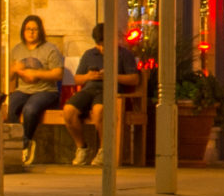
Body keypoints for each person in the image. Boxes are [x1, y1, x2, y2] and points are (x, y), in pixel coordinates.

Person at [57, 22, 142, 166]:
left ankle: (104, 149)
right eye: (100, 45)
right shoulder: (89, 54)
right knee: (68, 111)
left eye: (105, 44)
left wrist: (111, 76)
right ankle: (82, 147)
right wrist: (89, 76)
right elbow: (77, 78)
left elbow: (134, 79)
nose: (102, 49)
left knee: (99, 111)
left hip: (110, 89)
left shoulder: (123, 54)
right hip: (89, 89)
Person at [8, 14, 66, 167]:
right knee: (10, 106)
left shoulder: (50, 49)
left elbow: (58, 74)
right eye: (28, 29)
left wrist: (35, 73)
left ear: (40, 31)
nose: (31, 32)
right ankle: (16, 143)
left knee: (30, 109)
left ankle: (26, 143)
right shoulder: (17, 50)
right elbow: (8, 76)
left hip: (46, 91)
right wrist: (14, 69)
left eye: (34, 29)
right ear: (23, 31)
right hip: (23, 90)